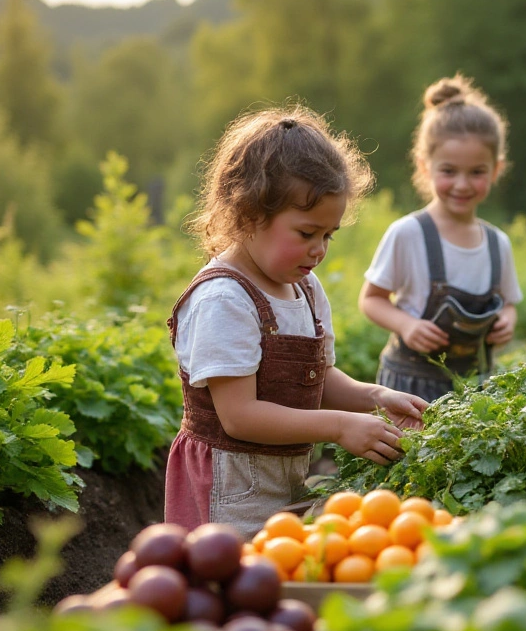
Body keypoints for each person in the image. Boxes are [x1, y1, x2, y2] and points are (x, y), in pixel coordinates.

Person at [165, 106, 428, 539]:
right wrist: (339, 426)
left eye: (328, 235)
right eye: (306, 234)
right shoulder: (223, 299)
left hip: (280, 478)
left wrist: (375, 397)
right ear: (248, 214)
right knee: (229, 582)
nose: (319, 249)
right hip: (229, 489)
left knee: (275, 577)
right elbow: (240, 416)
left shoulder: (304, 289)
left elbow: (318, 379)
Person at [360, 75, 522, 401]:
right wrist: (406, 325)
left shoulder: (497, 244)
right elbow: (371, 300)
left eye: (476, 172)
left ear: (496, 169)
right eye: (449, 171)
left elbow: (508, 304)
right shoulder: (408, 234)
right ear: (424, 166)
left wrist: (507, 319)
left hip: (474, 388)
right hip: (410, 385)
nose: (462, 185)